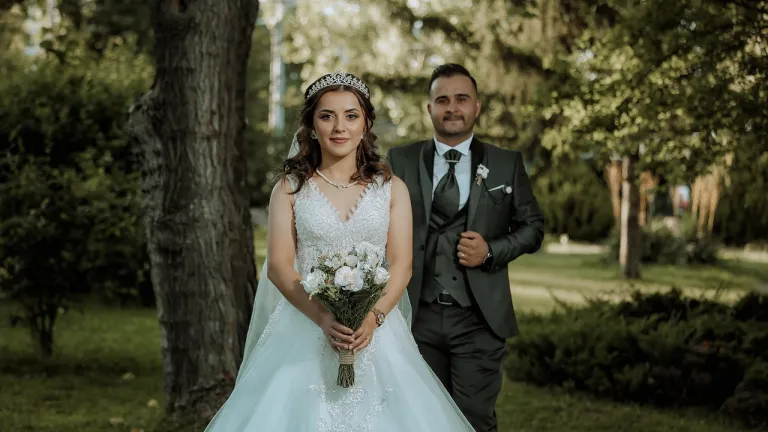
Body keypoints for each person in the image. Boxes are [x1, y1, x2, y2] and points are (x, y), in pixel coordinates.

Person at [203, 70, 474, 432]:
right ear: (312, 126)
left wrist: (372, 318)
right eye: (327, 116)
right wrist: (323, 318)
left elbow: (402, 265)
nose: (339, 127)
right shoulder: (289, 188)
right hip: (304, 324)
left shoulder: (392, 188)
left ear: (366, 124)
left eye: (351, 115)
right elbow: (280, 266)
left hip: (377, 332)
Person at [387, 63, 545, 432]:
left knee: (474, 420)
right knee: (418, 420)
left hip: (479, 319)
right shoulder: (400, 161)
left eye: (461, 99)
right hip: (415, 317)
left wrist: (491, 250)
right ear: (429, 108)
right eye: (442, 100)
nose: (452, 107)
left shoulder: (506, 164)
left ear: (477, 106)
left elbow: (533, 228)